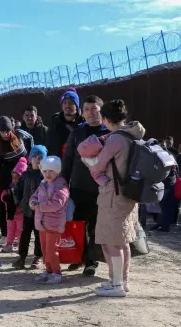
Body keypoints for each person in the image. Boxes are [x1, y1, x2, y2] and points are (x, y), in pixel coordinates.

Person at [78, 100, 142, 297]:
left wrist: (87, 160)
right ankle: (123, 280)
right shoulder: (133, 135)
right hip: (129, 194)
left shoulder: (115, 139)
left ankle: (116, 284)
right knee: (123, 241)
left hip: (113, 194)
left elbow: (98, 164)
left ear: (106, 119)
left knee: (110, 242)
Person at [61, 95, 110, 276]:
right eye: (87, 109)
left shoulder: (109, 132)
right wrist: (63, 182)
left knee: (95, 226)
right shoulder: (77, 132)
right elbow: (68, 159)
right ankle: (78, 257)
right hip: (78, 186)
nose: (90, 112)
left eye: (94, 108)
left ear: (101, 111)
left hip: (101, 188)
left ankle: (91, 261)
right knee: (76, 223)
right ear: (82, 112)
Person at [30, 156, 69, 284]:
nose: (48, 174)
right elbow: (34, 196)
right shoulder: (43, 184)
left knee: (52, 250)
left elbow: (57, 203)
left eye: (51, 171)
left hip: (54, 223)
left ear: (57, 171)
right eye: (45, 171)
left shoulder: (61, 185)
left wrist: (39, 207)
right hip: (42, 223)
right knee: (45, 249)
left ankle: (56, 272)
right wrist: (33, 202)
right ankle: (48, 270)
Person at [0, 116, 27, 247]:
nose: (5, 134)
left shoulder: (19, 143)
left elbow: (24, 159)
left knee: (19, 211)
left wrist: (18, 171)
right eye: (2, 131)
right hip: (4, 183)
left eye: (7, 131)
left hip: (20, 182)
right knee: (4, 209)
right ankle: (5, 235)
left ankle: (19, 236)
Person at [13, 145, 46, 270]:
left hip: (41, 212)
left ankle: (38, 256)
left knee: (39, 235)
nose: (37, 159)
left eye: (40, 157)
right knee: (25, 234)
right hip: (27, 211)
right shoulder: (25, 175)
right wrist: (19, 203)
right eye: (35, 156)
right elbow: (18, 190)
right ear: (30, 158)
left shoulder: (45, 175)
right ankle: (22, 256)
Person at [47, 88, 84, 157]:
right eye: (65, 102)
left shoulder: (83, 122)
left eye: (71, 102)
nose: (67, 105)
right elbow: (50, 143)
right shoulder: (55, 122)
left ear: (76, 105)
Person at [1, 157, 27, 252]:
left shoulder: (24, 189)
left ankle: (21, 245)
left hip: (20, 213)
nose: (15, 180)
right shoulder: (10, 187)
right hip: (10, 213)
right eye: (13, 178)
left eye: (18, 178)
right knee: (10, 229)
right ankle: (9, 244)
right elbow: (3, 196)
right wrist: (4, 197)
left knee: (20, 230)